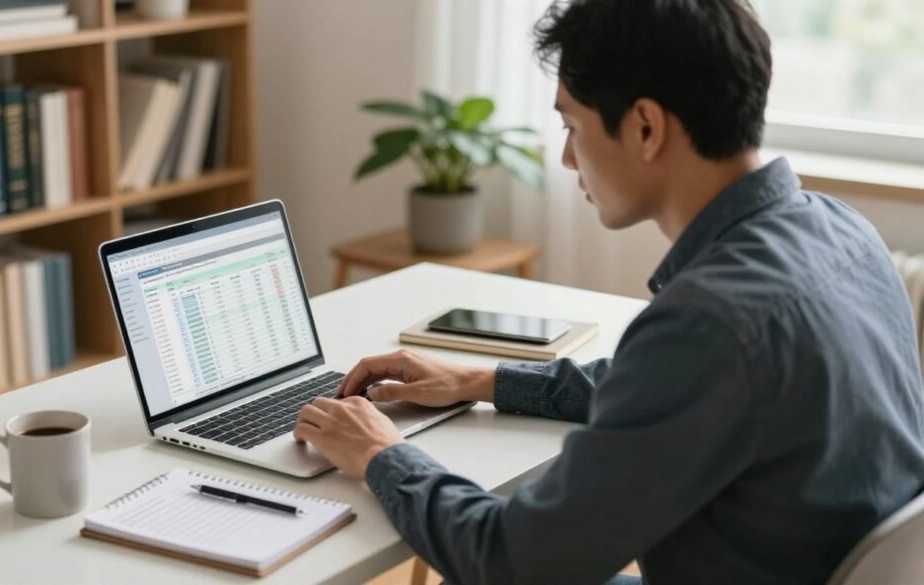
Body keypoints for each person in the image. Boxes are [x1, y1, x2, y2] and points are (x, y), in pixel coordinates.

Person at [292, 1, 924, 583]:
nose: (568, 159)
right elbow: (678, 390)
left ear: (646, 127)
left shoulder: (712, 320)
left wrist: (381, 455)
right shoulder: (844, 231)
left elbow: (511, 559)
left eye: (571, 124)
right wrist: (481, 380)